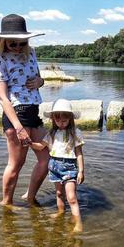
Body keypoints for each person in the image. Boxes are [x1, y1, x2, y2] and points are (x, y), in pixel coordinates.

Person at [0, 13, 49, 208]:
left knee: (47, 160)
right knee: (16, 164)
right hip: (16, 115)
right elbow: (3, 98)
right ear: (3, 42)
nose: (18, 47)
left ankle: (30, 196)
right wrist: (19, 127)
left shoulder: (31, 52)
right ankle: (6, 205)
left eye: (22, 43)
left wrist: (41, 81)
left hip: (34, 113)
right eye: (13, 44)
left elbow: (38, 79)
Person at [30, 99, 85, 232]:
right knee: (59, 193)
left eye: (64, 120)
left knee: (71, 197)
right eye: (58, 120)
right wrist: (29, 142)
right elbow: (40, 146)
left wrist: (81, 171)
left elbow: (79, 153)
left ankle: (78, 222)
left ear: (70, 119)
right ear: (53, 119)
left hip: (70, 167)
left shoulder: (75, 133)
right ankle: (61, 213)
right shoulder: (51, 133)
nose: (61, 123)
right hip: (54, 166)